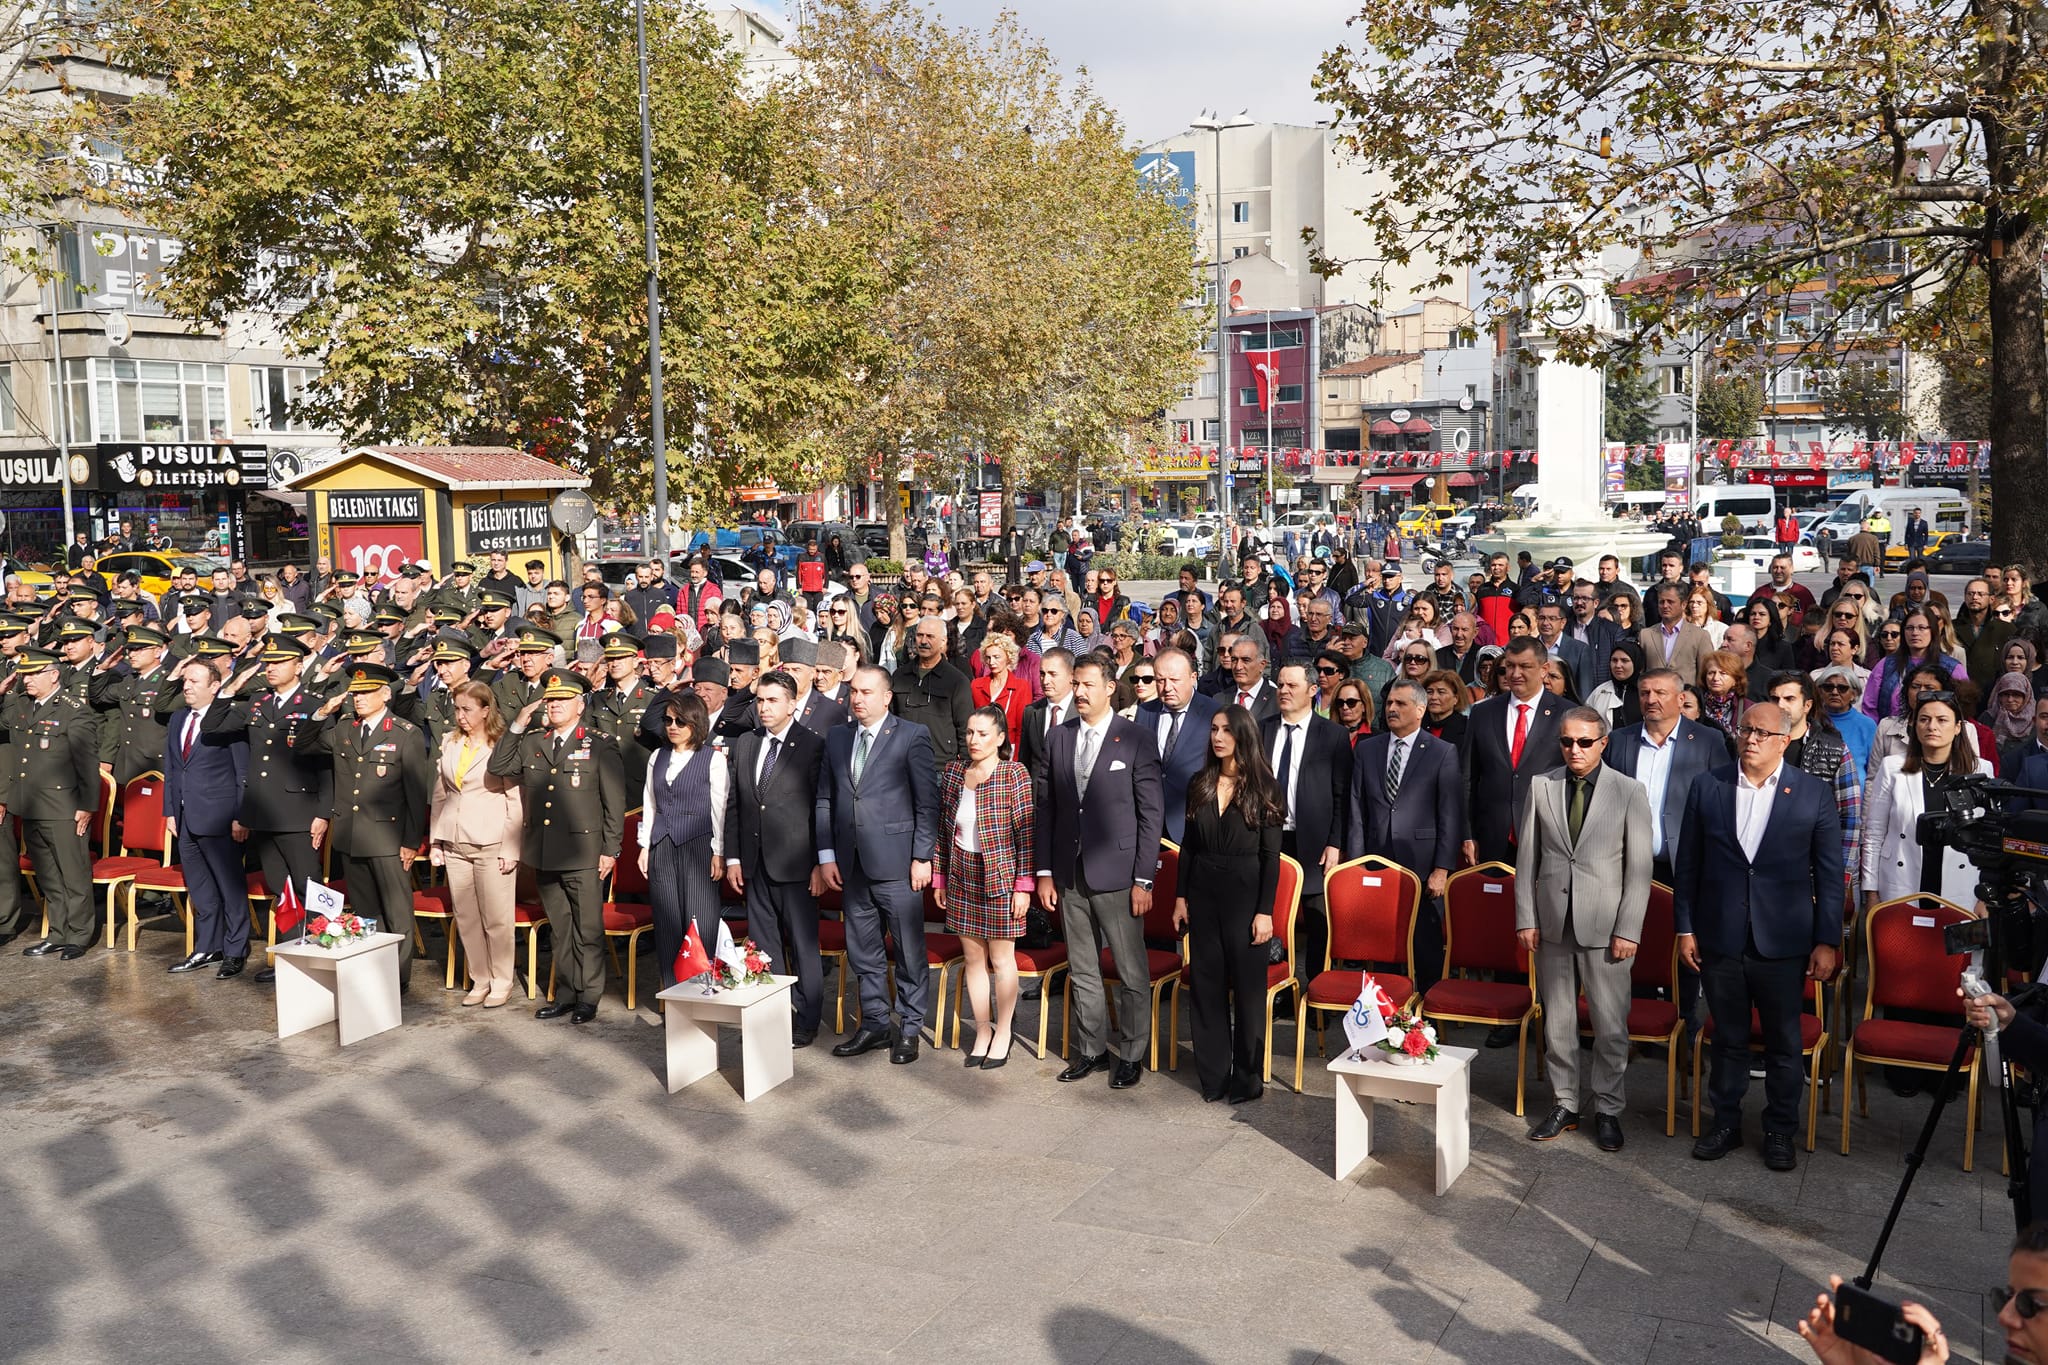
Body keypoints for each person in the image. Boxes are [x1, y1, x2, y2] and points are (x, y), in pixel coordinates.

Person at [1677, 703, 1843, 1172]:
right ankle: (1725, 1123)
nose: (1750, 738)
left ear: (1784, 741)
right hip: (1721, 937)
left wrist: (1827, 939)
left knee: (1783, 1043)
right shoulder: (1708, 786)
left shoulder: (1812, 793)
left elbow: (1830, 876)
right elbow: (1688, 865)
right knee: (1727, 1037)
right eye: (1745, 729)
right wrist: (1685, 928)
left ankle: (1779, 1130)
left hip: (1784, 940)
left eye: (1762, 732)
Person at [1517, 707, 1654, 1151]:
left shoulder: (1629, 791)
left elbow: (1638, 869)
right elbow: (1527, 862)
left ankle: (1609, 1108)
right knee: (1557, 1022)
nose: (1574, 750)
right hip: (1553, 924)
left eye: (1584, 742)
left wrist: (1629, 928)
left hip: (1606, 926)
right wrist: (1526, 918)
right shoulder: (1543, 785)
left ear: (1603, 743)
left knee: (1610, 1026)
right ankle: (1564, 1103)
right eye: (1566, 741)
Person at [1034, 655, 1164, 1091]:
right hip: (1070, 873)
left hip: (1119, 874)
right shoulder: (1059, 738)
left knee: (1130, 972)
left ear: (1110, 687)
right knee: (1083, 968)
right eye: (1076, 684)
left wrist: (1144, 878)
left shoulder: (1136, 739)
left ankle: (1131, 1054)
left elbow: (1151, 815)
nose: (1081, 692)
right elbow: (1046, 808)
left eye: (1089, 684)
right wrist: (1045, 872)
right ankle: (1091, 1049)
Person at [816, 666, 940, 1064]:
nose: (857, 698)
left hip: (898, 864)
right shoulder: (838, 737)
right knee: (863, 950)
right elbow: (826, 799)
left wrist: (923, 857)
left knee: (907, 951)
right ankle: (873, 1022)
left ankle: (908, 1026)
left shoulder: (910, 735)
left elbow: (927, 802)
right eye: (854, 691)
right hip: (851, 864)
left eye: (867, 692)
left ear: (886, 697)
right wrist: (826, 855)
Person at [488, 668, 625, 1022]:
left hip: (583, 852)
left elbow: (614, 803)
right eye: (550, 700)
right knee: (561, 929)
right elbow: (499, 764)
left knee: (588, 929)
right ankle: (565, 992)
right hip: (545, 851)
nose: (554, 706)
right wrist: (518, 723)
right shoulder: (534, 741)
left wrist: (610, 850)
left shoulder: (599, 743)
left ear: (580, 705)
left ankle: (589, 996)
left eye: (562, 700)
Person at [290, 662, 433, 988]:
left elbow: (415, 793)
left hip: (387, 837)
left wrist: (411, 841)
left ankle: (398, 980)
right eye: (356, 693)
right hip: (350, 836)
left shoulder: (403, 734)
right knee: (367, 912)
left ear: (385, 694)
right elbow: (302, 745)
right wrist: (322, 712)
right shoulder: (344, 729)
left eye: (366, 693)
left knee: (397, 912)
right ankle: (373, 971)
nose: (359, 699)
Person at [1173, 704, 1284, 1104]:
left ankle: (1247, 1079)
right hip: (1203, 895)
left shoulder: (1266, 788)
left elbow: (1271, 858)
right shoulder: (1199, 783)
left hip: (1246, 898)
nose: (1217, 736)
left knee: (1250, 993)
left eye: (1226, 730)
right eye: (1214, 729)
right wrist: (1181, 897)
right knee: (1206, 987)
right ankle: (1213, 1076)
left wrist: (1265, 911)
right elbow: (1188, 847)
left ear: (1244, 736)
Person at [721, 669, 825, 1044]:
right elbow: (737, 803)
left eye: (772, 701)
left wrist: (818, 861)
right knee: (763, 946)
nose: (764, 708)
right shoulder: (747, 743)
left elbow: (819, 808)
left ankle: (808, 1017)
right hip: (754, 862)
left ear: (792, 704)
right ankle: (775, 1011)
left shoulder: (812, 744)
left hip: (797, 865)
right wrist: (733, 858)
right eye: (760, 700)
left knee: (801, 944)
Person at [934, 705, 1034, 1069]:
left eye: (982, 734)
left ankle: (1004, 1030)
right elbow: (943, 830)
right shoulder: (954, 772)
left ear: (1001, 738)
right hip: (962, 876)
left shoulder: (1014, 774)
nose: (974, 740)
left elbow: (1027, 834)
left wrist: (1023, 886)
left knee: (1001, 959)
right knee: (973, 960)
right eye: (970, 733)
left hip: (1001, 878)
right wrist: (939, 876)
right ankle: (982, 1029)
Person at [1348, 679, 1462, 992]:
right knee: (1383, 941)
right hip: (1378, 859)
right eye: (1389, 704)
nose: (1392, 709)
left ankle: (1427, 1012)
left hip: (1422, 864)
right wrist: (1358, 864)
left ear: (1420, 710)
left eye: (1400, 704)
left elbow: (1450, 814)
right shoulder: (1368, 749)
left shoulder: (1442, 752)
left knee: (1424, 941)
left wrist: (1441, 869)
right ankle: (1386, 1014)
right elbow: (1357, 809)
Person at [428, 680, 523, 1006]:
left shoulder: (500, 745)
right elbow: (440, 794)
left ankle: (501, 980)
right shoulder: (450, 743)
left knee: (496, 919)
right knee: (466, 917)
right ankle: (480, 978)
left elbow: (515, 801)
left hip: (491, 842)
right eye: (457, 709)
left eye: (467, 709)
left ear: (486, 710)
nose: (461, 716)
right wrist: (436, 841)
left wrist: (511, 848)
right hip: (455, 841)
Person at [1262, 661, 1352, 998]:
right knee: (1273, 914)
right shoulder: (1263, 729)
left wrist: (1335, 842)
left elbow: (1343, 795)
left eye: (1291, 686)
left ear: (1313, 691)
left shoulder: (1333, 735)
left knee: (1317, 920)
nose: (1283, 691)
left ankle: (1317, 991)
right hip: (1270, 839)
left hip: (1314, 841)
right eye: (1280, 685)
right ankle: (1278, 989)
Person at [162, 658, 252, 978]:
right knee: (201, 890)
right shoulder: (177, 719)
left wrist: (241, 816)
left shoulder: (229, 719)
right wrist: (170, 811)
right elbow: (172, 769)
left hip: (220, 816)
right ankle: (207, 947)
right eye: (185, 681)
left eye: (194, 682)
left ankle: (235, 949)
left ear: (215, 687)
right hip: (186, 818)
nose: (186, 686)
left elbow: (243, 772)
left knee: (230, 887)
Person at [10, 649, 101, 959]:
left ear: (53, 675)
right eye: (25, 674)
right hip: (32, 805)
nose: (28, 679)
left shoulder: (74, 710)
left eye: (35, 673)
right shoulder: (22, 704)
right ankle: (58, 932)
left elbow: (87, 764)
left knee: (73, 875)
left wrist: (88, 806)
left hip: (64, 807)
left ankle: (79, 935)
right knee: (49, 876)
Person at [1861, 689, 1989, 909]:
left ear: (1958, 727)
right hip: (1901, 882)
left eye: (1942, 720)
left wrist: (1983, 897)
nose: (1932, 726)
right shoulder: (1892, 767)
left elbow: (1986, 839)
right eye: (1924, 719)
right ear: (1915, 726)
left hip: (1960, 885)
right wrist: (1871, 892)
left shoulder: (1981, 770)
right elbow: (1874, 833)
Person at [640, 690, 727, 989]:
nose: (673, 726)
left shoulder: (712, 760)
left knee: (699, 921)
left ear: (696, 722)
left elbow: (720, 809)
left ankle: (703, 991)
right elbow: (650, 803)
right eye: (668, 720)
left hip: (699, 845)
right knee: (666, 923)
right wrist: (644, 847)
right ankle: (672, 996)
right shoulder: (657, 756)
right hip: (662, 844)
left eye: (681, 721)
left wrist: (719, 852)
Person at [1462, 636, 1567, 868]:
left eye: (1525, 666)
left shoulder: (1566, 714)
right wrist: (1468, 834)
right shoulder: (1483, 713)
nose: (1515, 673)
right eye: (1510, 666)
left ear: (1544, 670)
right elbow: (1468, 778)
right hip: (1491, 839)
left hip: (1546, 838)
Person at [1135, 646, 1218, 845]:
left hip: (1193, 823)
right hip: (1149, 823)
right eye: (1161, 680)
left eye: (1175, 680)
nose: (1167, 687)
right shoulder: (1145, 712)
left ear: (1193, 677)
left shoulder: (1213, 712)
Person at [1639, 583, 1712, 688]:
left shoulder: (1700, 636)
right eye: (1661, 602)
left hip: (1685, 698)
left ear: (1683, 604)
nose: (1665, 606)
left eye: (1670, 602)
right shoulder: (1645, 635)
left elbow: (1705, 673)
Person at [1585, 639, 1645, 733]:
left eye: (1624, 661)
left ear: (1636, 662)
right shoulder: (1601, 691)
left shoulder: (1646, 691)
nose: (1618, 665)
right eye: (1614, 660)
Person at [1419, 667, 1469, 747]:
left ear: (1455, 698)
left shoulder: (1467, 728)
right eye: (1429, 692)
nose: (1434, 697)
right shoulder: (1416, 724)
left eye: (1441, 692)